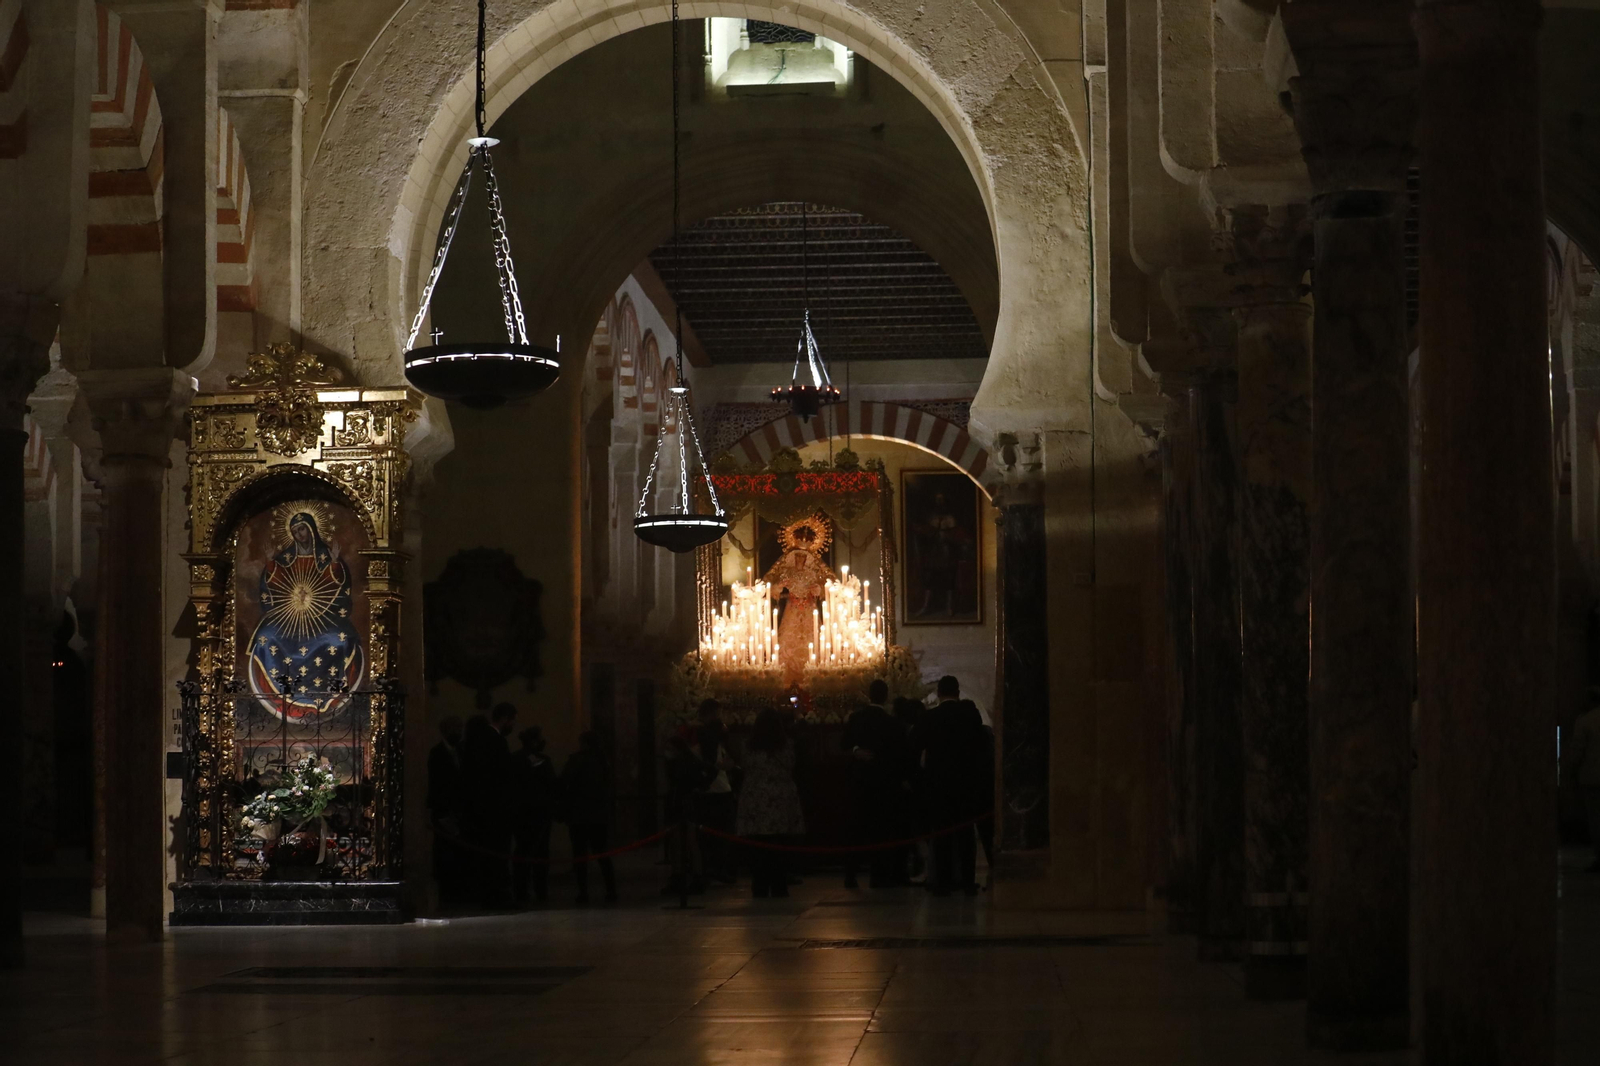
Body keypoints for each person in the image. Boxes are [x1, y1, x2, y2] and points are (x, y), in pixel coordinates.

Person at [917, 676, 985, 896]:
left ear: (938, 693)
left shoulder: (930, 718)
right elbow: (979, 744)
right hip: (966, 783)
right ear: (957, 693)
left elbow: (917, 746)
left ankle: (944, 882)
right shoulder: (970, 715)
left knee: (943, 833)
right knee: (966, 833)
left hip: (939, 786)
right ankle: (967, 881)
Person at [841, 679, 908, 888]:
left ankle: (851, 874)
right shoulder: (893, 723)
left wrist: (856, 752)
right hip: (884, 785)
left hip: (860, 782)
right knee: (881, 831)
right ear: (886, 696)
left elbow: (844, 744)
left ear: (869, 695)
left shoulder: (856, 719)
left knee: (856, 830)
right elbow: (899, 756)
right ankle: (878, 877)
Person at [736, 705, 806, 897]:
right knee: (779, 845)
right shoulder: (787, 746)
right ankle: (779, 884)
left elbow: (743, 765)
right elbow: (793, 764)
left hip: (756, 799)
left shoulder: (747, 746)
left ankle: (759, 884)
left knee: (758, 846)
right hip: (780, 799)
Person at [459, 704, 517, 907]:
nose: (512, 725)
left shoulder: (475, 740)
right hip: (494, 810)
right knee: (496, 854)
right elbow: (501, 777)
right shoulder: (496, 741)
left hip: (478, 809)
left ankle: (483, 893)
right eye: (511, 721)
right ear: (504, 719)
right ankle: (496, 895)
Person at [561, 730, 619, 904]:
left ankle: (583, 892)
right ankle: (611, 890)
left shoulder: (577, 760)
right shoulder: (603, 761)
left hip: (579, 814)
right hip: (598, 815)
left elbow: (565, 781)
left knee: (580, 855)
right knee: (602, 853)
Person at [509, 725, 556, 905]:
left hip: (520, 813)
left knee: (522, 851)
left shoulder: (514, 758)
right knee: (540, 853)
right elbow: (551, 785)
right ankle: (540, 891)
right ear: (535, 741)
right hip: (539, 813)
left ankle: (520, 891)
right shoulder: (543, 761)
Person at [694, 699, 738, 884]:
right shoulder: (710, 734)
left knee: (711, 835)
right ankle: (719, 869)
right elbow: (723, 759)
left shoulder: (701, 734)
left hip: (710, 790)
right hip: (717, 789)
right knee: (721, 833)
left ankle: (713, 869)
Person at [662, 726, 709, 896]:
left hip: (682, 805)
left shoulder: (681, 765)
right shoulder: (689, 762)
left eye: (670, 749)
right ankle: (690, 877)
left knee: (686, 842)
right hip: (684, 804)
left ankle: (684, 877)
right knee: (686, 843)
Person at [426, 716, 467, 905]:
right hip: (443, 812)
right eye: (455, 729)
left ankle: (458, 890)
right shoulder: (437, 753)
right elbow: (437, 785)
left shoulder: (461, 751)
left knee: (458, 853)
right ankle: (446, 891)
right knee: (444, 852)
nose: (458, 733)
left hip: (458, 811)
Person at [1564, 702, 1600, 872]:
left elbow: (1577, 750)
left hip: (1592, 778)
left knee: (1596, 820)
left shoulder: (1585, 721)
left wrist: (1570, 771)